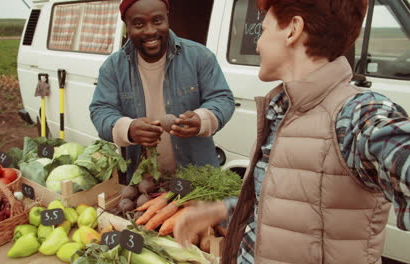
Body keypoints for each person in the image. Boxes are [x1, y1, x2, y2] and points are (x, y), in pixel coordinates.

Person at [173, 0, 410, 263]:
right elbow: (293, 207)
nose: (258, 43)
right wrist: (222, 210)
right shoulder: (283, 108)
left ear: (292, 30)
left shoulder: (358, 114)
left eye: (263, 30)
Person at [89, 0, 234, 183]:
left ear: (167, 18)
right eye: (139, 24)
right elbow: (101, 110)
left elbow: (222, 98)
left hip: (198, 178)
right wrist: (128, 129)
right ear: (127, 26)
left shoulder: (199, 56)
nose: (150, 31)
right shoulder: (113, 67)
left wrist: (203, 119)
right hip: (144, 183)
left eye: (158, 21)